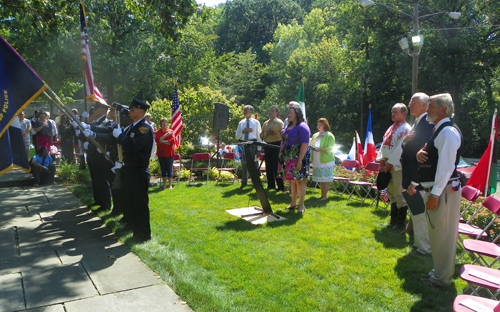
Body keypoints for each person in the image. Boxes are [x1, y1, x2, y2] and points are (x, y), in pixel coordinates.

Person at [416, 93, 462, 287]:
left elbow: (446, 167)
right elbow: (433, 157)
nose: (427, 109)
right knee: (437, 235)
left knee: (443, 236)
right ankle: (439, 273)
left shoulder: (447, 132)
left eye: (431, 106)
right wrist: (420, 154)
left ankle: (442, 279)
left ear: (442, 109)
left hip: (443, 192)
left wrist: (434, 194)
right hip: (440, 191)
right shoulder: (439, 129)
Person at [113, 99, 154, 242]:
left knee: (140, 204)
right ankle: (135, 229)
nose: (129, 112)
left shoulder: (144, 128)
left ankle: (143, 234)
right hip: (129, 170)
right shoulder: (132, 127)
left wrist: (120, 136)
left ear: (140, 111)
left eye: (132, 110)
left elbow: (133, 145)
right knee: (130, 202)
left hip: (138, 171)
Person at [401, 93, 434, 256]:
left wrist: (415, 179)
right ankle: (419, 243)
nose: (409, 105)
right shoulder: (418, 123)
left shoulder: (427, 125)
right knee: (416, 213)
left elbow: (424, 156)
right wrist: (405, 142)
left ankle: (424, 248)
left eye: (412, 102)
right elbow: (410, 148)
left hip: (418, 179)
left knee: (420, 215)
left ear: (423, 105)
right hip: (412, 177)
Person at [377, 103, 411, 230]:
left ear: (403, 113)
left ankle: (400, 223)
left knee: (399, 193)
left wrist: (389, 164)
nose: (392, 114)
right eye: (392, 112)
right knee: (391, 193)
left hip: (397, 166)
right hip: (387, 164)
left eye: (395, 112)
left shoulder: (406, 129)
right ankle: (393, 221)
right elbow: (383, 146)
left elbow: (400, 149)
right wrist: (382, 162)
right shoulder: (392, 127)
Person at [279, 105, 311, 213]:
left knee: (300, 181)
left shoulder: (303, 126)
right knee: (292, 181)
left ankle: (301, 205)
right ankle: (293, 203)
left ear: (297, 114)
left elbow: (305, 144)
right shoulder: (289, 125)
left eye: (291, 113)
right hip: (289, 157)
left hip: (299, 158)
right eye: (289, 113)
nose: (289, 115)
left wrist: (299, 160)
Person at [235, 105, 262, 188]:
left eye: (246, 110)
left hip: (253, 144)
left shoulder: (256, 123)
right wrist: (244, 131)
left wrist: (259, 149)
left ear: (251, 112)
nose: (244, 112)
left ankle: (256, 182)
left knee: (254, 163)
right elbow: (237, 136)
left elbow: (259, 137)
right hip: (243, 144)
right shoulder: (241, 123)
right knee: (244, 163)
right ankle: (244, 182)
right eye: (244, 110)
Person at [260, 105, 284, 192]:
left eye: (272, 111)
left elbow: (283, 135)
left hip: (276, 145)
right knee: (268, 166)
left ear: (276, 113)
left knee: (276, 166)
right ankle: (271, 185)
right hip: (267, 145)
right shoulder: (266, 123)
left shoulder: (280, 123)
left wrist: (275, 134)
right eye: (270, 110)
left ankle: (280, 186)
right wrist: (267, 134)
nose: (270, 112)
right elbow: (261, 135)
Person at [310, 118, 335, 200]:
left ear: (325, 125)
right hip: (317, 159)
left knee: (325, 178)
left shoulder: (329, 136)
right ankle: (321, 195)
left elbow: (330, 148)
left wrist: (320, 149)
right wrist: (313, 144)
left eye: (320, 124)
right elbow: (311, 144)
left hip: (325, 159)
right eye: (318, 124)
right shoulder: (315, 135)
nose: (318, 126)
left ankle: (324, 196)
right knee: (321, 178)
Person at [155, 118, 176, 190]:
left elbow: (171, 141)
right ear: (160, 124)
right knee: (163, 169)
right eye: (163, 123)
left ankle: (170, 185)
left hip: (169, 153)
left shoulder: (171, 131)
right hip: (161, 154)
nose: (165, 124)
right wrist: (166, 135)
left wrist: (163, 141)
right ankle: (164, 185)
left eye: (166, 123)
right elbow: (158, 140)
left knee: (169, 169)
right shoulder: (158, 132)